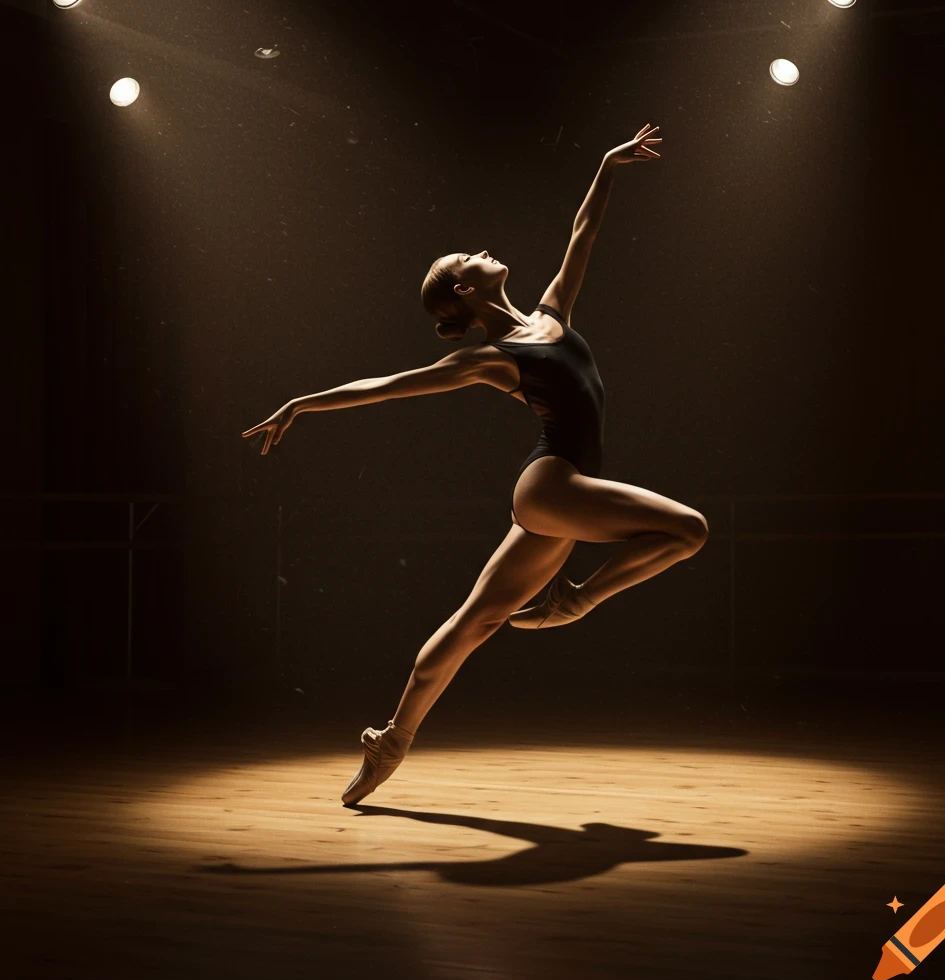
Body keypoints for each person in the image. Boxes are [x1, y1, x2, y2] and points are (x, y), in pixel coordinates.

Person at [242, 124, 709, 806]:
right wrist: (300, 403)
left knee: (476, 622)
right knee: (689, 529)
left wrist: (608, 163)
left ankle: (389, 743)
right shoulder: (490, 360)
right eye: (471, 254)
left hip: (556, 497)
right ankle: (576, 601)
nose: (486, 250)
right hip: (553, 485)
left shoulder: (551, 314)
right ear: (463, 287)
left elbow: (583, 233)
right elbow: (385, 387)